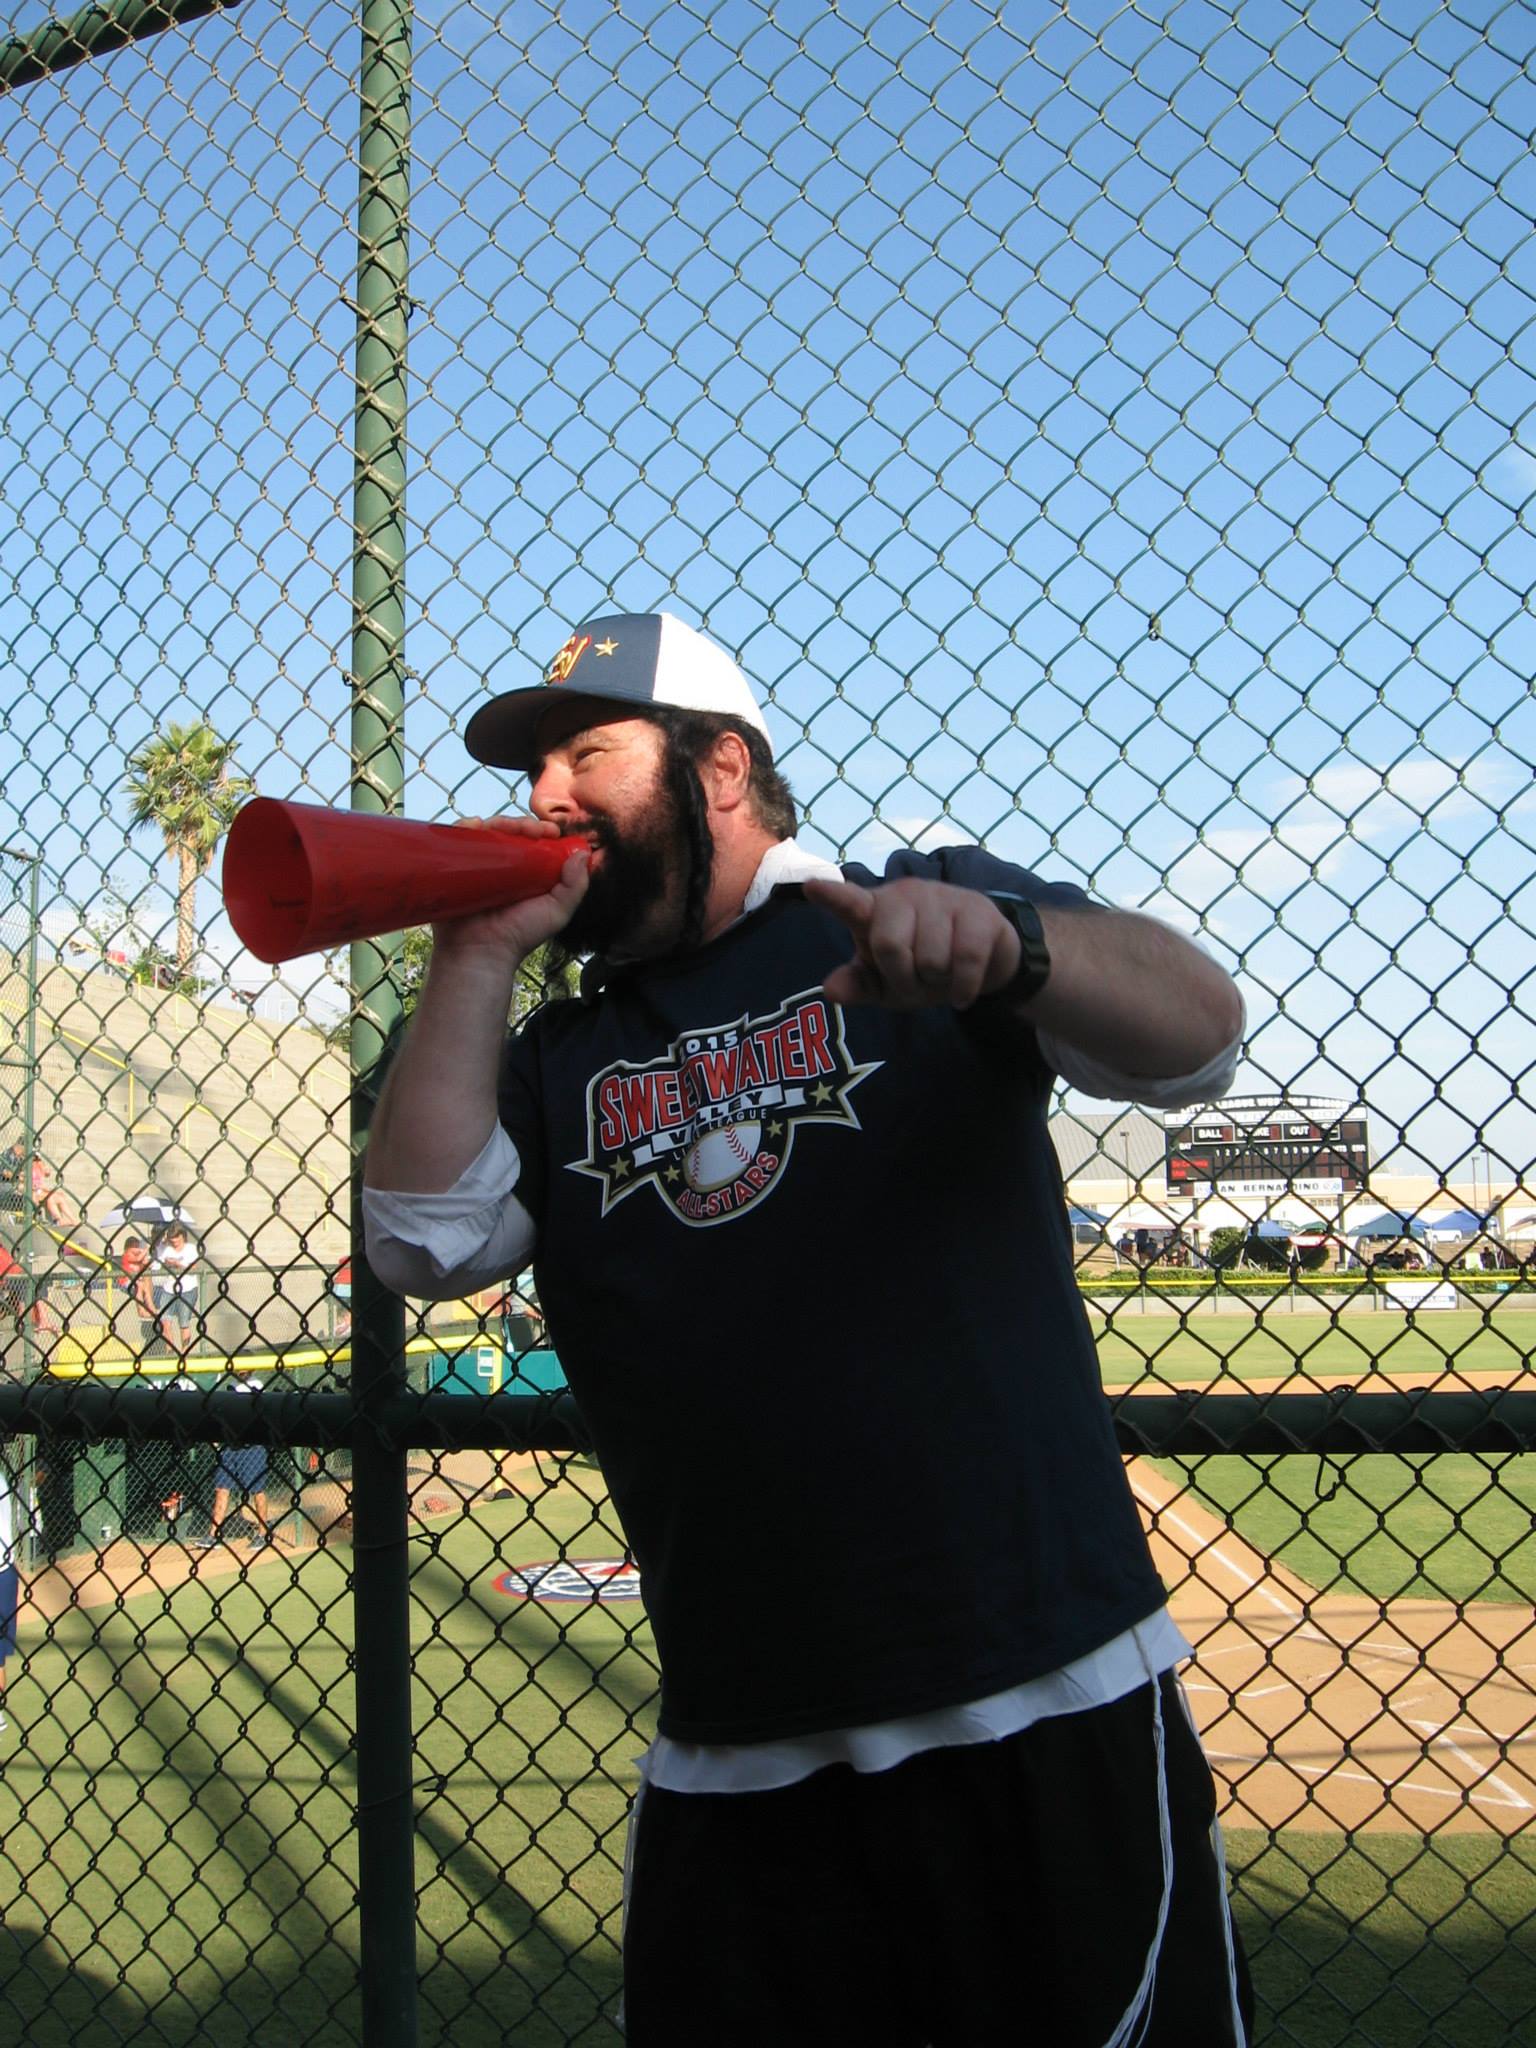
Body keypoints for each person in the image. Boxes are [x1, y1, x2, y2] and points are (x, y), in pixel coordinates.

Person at [363, 610, 1253, 2045]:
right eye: (536, 768)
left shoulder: (910, 910)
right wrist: (471, 956)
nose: (543, 797)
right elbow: (422, 1238)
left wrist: (1014, 948)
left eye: (585, 753)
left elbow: (1201, 1035)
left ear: (720, 769)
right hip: (738, 1751)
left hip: (1029, 1707)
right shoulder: (559, 1047)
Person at [194, 1378, 280, 1551]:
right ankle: (214, 1535)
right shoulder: (227, 1382)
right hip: (230, 1446)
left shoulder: (256, 1384)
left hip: (252, 1447)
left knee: (257, 1490)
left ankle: (263, 1534)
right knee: (221, 1489)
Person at [150, 1222, 199, 1358]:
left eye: (176, 1239)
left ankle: (184, 1352)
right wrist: (166, 1261)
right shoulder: (166, 1248)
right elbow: (155, 1264)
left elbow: (194, 1268)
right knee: (165, 1321)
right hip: (169, 1289)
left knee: (183, 1323)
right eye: (172, 1240)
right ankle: (170, 1351)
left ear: (182, 1236)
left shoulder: (191, 1249)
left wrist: (178, 1264)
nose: (174, 1242)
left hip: (188, 1289)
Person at [118, 1235, 159, 1351]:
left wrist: (147, 1261)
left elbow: (143, 1263)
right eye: (134, 1247)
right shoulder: (127, 1255)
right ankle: (141, 1310)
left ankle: (151, 1309)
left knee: (144, 1285)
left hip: (137, 1282)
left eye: (137, 1246)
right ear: (128, 1248)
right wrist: (146, 1249)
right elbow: (137, 1258)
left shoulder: (137, 1256)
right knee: (139, 1285)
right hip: (126, 1281)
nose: (136, 1249)